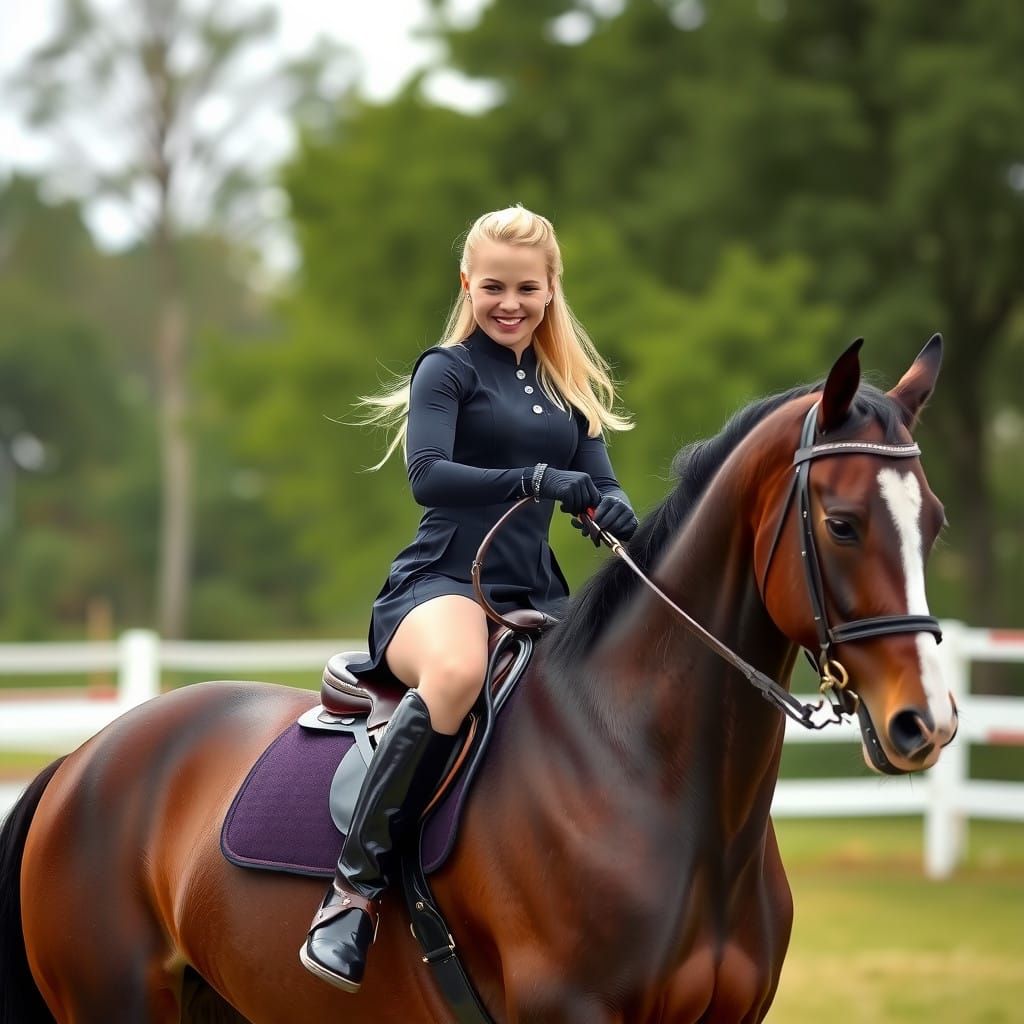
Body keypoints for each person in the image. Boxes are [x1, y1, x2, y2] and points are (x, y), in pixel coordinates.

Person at [299, 205, 639, 992]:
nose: (509, 303)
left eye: (526, 287)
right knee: (454, 676)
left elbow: (601, 477)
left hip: (534, 593)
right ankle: (351, 893)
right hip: (440, 584)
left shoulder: (565, 389)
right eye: (493, 287)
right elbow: (428, 474)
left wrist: (609, 507)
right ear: (468, 285)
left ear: (552, 289)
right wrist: (538, 480)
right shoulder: (445, 370)